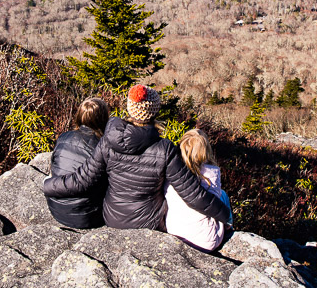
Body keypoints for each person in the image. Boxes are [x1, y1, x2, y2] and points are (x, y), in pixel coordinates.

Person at [43, 84, 231, 230]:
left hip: (112, 218)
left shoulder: (108, 140)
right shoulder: (164, 148)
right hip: (148, 222)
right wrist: (225, 215)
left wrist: (48, 185)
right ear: (155, 112)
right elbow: (192, 194)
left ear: (130, 109)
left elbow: (83, 180)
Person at [45, 97, 110, 229]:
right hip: (87, 216)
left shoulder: (64, 137)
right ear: (104, 119)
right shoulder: (103, 147)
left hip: (56, 208)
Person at [165, 129, 232, 251]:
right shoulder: (211, 174)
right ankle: (229, 225)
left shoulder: (171, 173)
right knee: (223, 195)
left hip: (174, 231)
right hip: (205, 241)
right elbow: (215, 205)